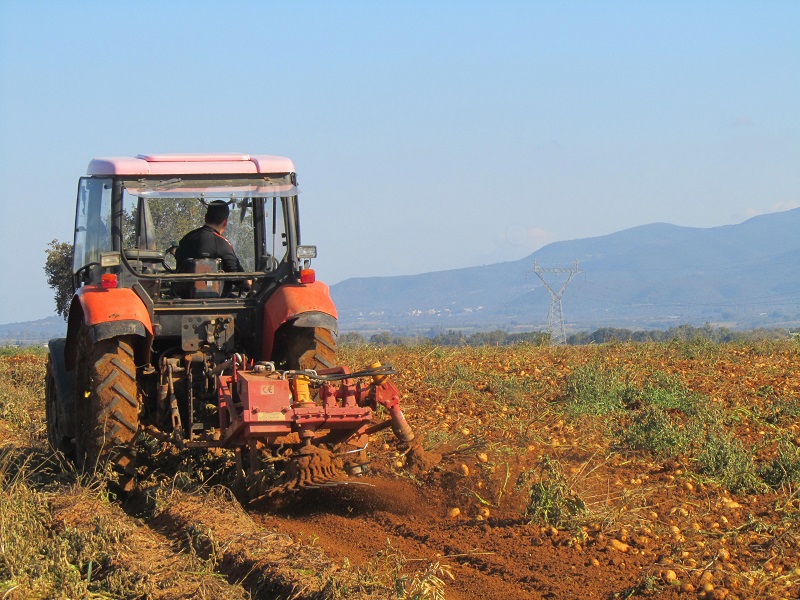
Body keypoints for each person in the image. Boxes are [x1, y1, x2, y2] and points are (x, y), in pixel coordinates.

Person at [175, 201, 251, 296]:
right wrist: (249, 283)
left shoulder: (186, 239)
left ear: (205, 217)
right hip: (216, 305)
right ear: (226, 221)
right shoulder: (223, 244)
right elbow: (240, 280)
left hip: (183, 301)